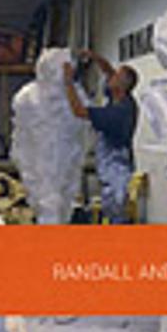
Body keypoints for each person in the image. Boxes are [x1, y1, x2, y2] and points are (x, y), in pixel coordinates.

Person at [63, 50, 139, 223]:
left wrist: (68, 82)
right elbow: (109, 71)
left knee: (117, 219)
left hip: (117, 175)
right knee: (111, 215)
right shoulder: (122, 98)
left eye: (115, 76)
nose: (110, 76)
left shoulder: (117, 114)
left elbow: (78, 111)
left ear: (120, 87)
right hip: (113, 169)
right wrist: (95, 56)